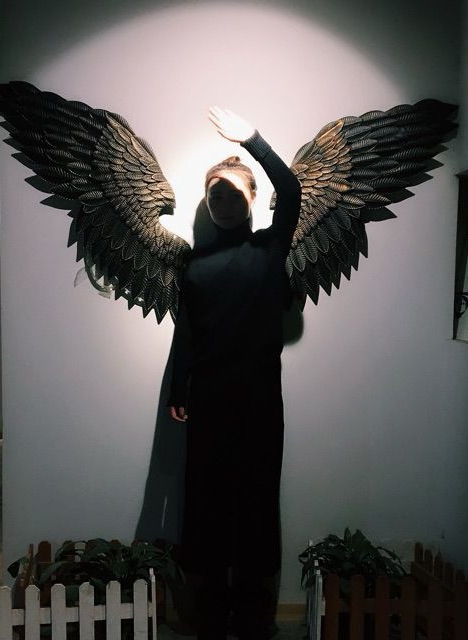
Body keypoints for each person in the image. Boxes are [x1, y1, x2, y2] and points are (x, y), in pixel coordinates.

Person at [168, 107, 301, 640]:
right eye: (213, 195)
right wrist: (178, 387)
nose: (221, 203)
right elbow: (187, 333)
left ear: (251, 198)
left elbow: (291, 191)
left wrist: (252, 141)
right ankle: (210, 609)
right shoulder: (195, 266)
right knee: (206, 502)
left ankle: (252, 610)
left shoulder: (270, 249)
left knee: (256, 501)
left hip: (260, 403)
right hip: (207, 401)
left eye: (230, 193)